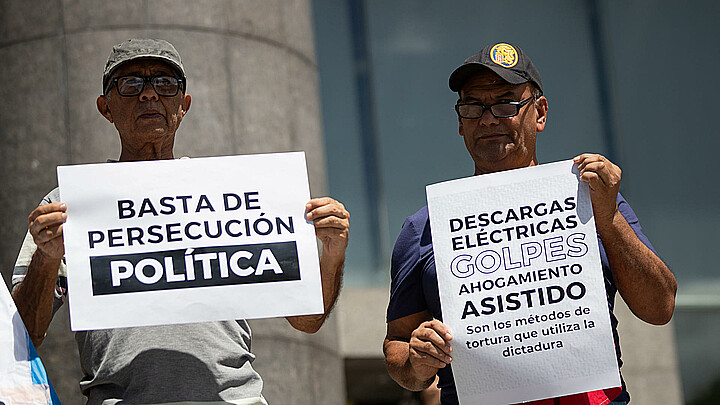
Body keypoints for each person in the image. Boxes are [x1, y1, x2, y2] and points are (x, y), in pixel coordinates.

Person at [11, 38, 350, 405]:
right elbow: (26, 330)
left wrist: (332, 253)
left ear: (183, 105)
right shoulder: (66, 206)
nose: (149, 95)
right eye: (131, 84)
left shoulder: (235, 195)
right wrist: (46, 258)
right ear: (105, 108)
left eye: (166, 83)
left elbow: (307, 319)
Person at [383, 42, 677, 405]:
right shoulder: (424, 227)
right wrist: (417, 361)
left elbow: (659, 307)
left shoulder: (594, 199)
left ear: (539, 113)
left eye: (506, 103)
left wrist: (609, 217)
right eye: (473, 106)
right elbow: (398, 343)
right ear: (460, 122)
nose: (488, 118)